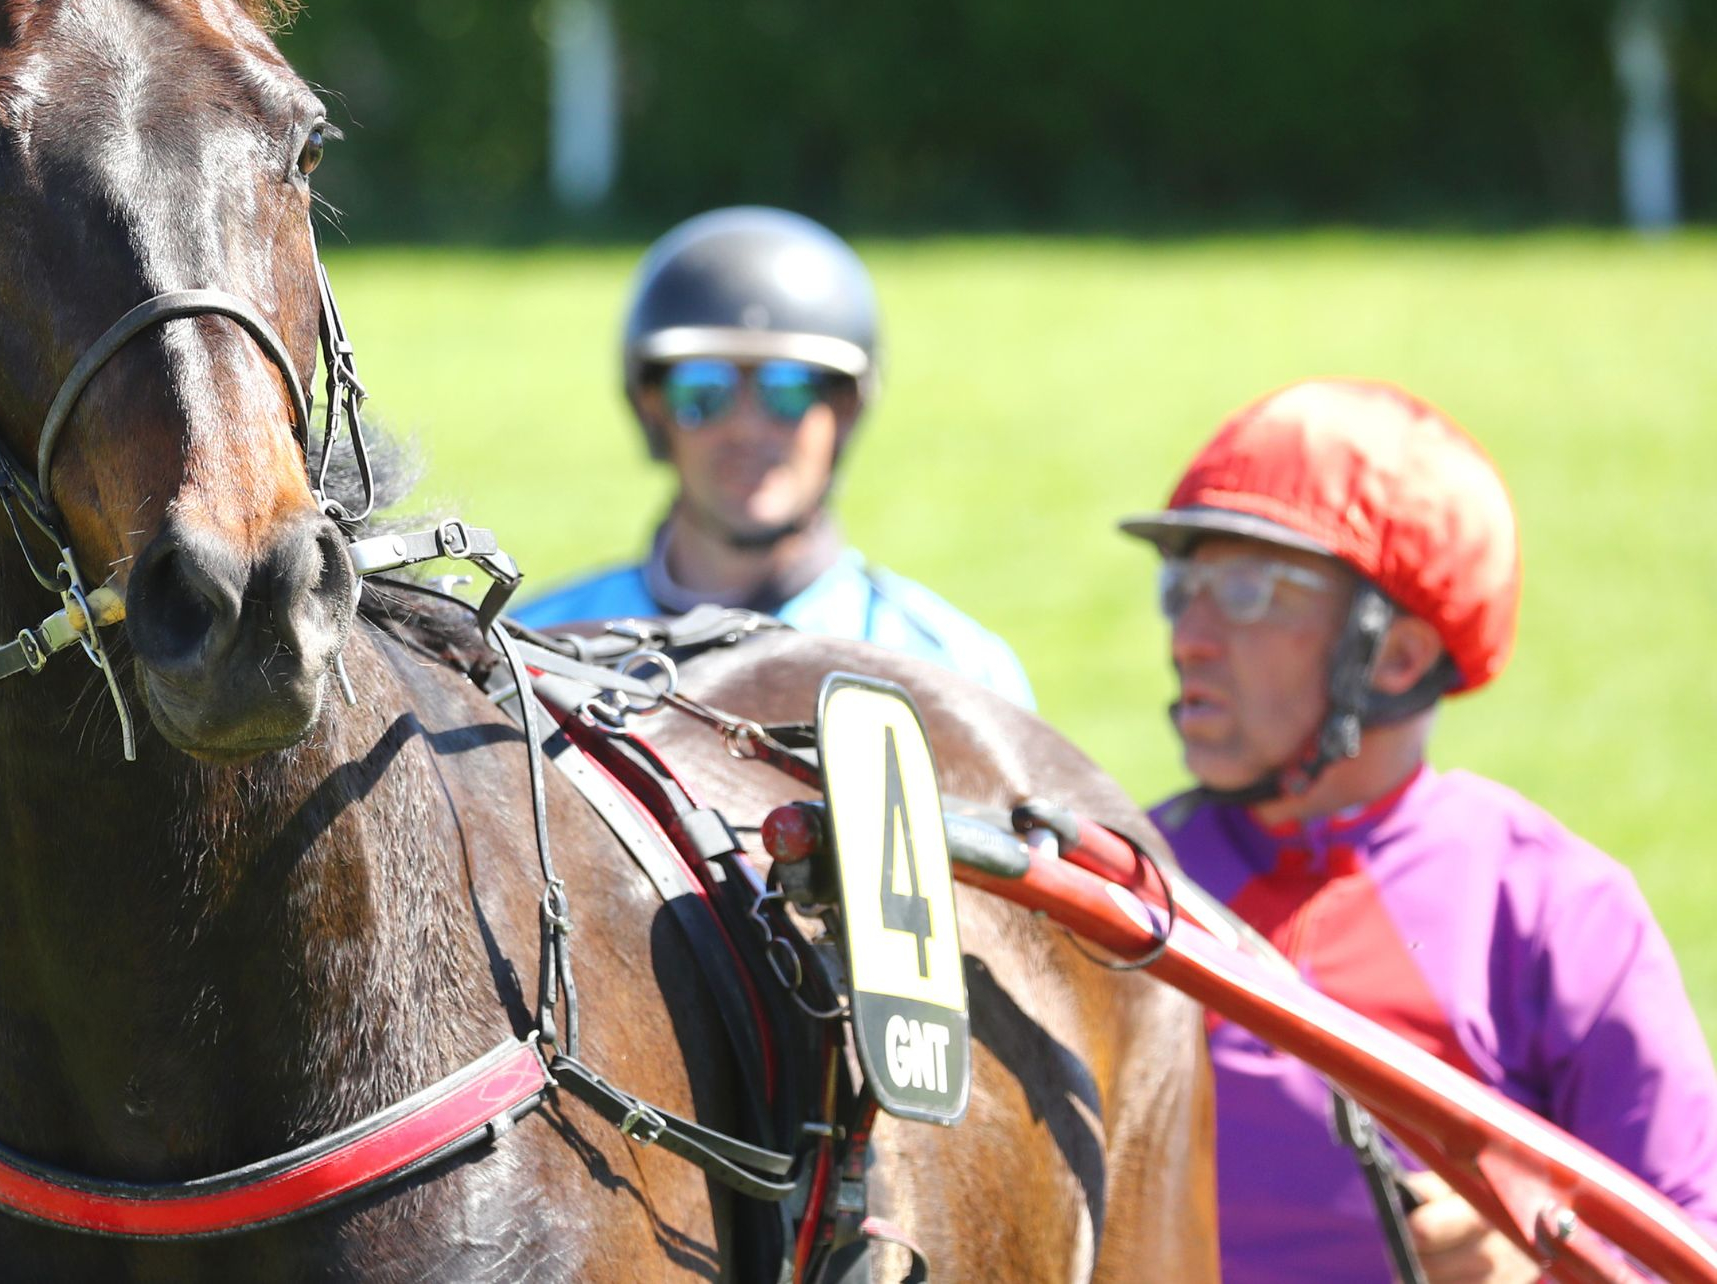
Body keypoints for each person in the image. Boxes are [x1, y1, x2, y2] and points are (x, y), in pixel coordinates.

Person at [1124, 378, 1717, 1284]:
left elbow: (1690, 1250)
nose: (1189, 639)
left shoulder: (1555, 908)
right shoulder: (1121, 883)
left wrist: (1542, 1271)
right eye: (1184, 588)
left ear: (1397, 655)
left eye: (1247, 592)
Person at [520, 206, 1035, 708]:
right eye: (704, 388)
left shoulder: (955, 677)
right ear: (652, 409)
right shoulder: (538, 658)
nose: (746, 425)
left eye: (789, 388)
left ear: (845, 410)